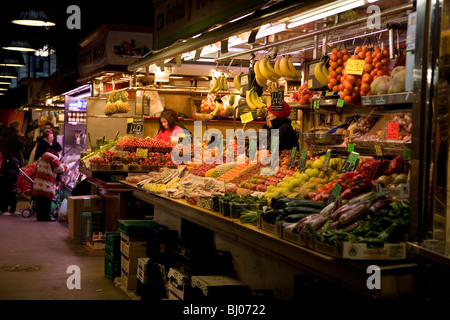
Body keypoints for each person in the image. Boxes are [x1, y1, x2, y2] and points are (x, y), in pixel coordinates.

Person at [32, 142, 68, 221]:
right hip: (46, 181)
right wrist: (66, 166)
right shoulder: (52, 157)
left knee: (40, 199)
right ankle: (45, 217)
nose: (59, 153)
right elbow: (59, 169)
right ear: (56, 150)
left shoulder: (45, 154)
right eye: (59, 152)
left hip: (40, 180)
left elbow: (54, 167)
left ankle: (40, 216)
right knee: (46, 200)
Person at [0, 120, 26, 215]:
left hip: (5, 165)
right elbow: (22, 145)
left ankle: (6, 208)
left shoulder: (3, 136)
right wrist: (23, 138)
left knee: (6, 186)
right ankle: (9, 208)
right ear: (16, 127)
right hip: (13, 164)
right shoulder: (14, 136)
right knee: (11, 186)